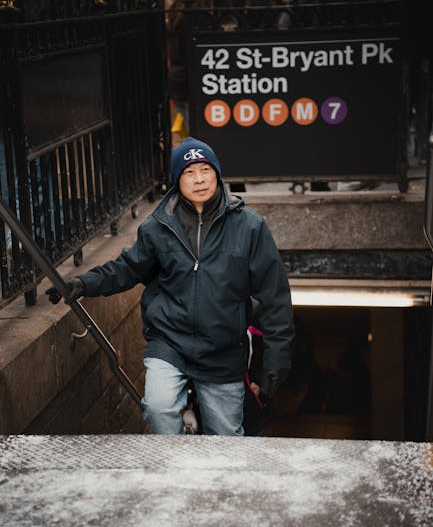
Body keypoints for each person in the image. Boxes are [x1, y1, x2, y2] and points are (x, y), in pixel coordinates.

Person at [46, 136, 295, 436]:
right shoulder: (158, 227)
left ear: (217, 174)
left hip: (223, 352)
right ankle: (175, 464)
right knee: (159, 408)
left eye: (205, 170)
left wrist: (276, 362)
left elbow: (274, 297)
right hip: (170, 342)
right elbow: (127, 269)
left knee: (226, 438)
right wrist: (82, 284)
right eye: (189, 172)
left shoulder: (249, 226)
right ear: (178, 180)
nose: (199, 179)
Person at [167, 0, 213, 133]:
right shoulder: (206, 6)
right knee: (202, 132)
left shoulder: (178, 5)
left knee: (195, 131)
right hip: (198, 80)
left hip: (180, 79)